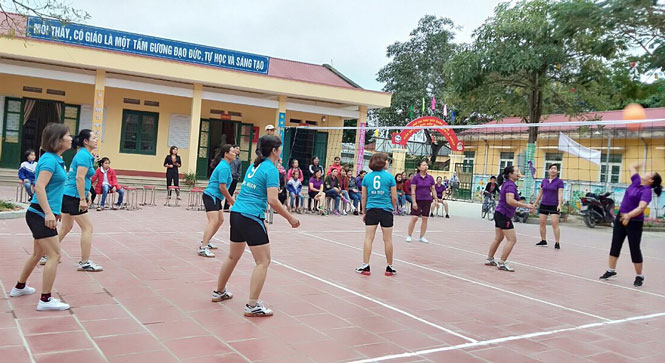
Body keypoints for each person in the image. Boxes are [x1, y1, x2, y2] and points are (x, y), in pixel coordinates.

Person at [212, 135, 300, 317]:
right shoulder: (271, 170)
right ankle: (252, 306)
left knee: (233, 256)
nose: (281, 150)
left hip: (237, 214)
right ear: (274, 150)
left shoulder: (254, 166)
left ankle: (219, 291)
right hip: (250, 216)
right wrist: (290, 218)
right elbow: (273, 200)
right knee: (263, 261)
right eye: (280, 147)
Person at [10, 124, 71, 311]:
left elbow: (54, 189)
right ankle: (45, 300)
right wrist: (48, 213)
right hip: (39, 214)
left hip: (42, 213)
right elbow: (39, 187)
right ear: (58, 140)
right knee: (54, 255)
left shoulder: (56, 159)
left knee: (38, 254)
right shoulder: (48, 160)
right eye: (68, 135)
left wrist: (56, 209)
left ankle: (19, 287)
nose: (71, 138)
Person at [599, 163, 661, 287]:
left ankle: (639, 276)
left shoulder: (646, 191)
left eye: (650, 172)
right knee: (615, 244)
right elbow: (632, 166)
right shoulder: (636, 181)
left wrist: (628, 215)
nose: (646, 171)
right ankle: (611, 270)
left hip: (634, 222)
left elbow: (641, 207)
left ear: (651, 180)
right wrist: (640, 164)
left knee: (634, 248)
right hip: (621, 218)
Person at [57, 129, 102, 272]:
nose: (96, 140)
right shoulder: (83, 155)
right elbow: (79, 177)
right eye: (94, 138)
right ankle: (85, 262)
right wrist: (82, 199)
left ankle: (47, 254)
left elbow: (84, 178)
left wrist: (87, 193)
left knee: (66, 227)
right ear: (85, 141)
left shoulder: (85, 155)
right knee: (87, 228)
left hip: (69, 194)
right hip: (73, 196)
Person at [485, 166, 536, 272]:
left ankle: (490, 259)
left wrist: (527, 205)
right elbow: (510, 201)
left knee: (498, 238)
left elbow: (512, 201)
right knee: (512, 240)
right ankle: (502, 263)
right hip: (504, 215)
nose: (518, 173)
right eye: (516, 171)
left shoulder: (508, 184)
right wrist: (526, 206)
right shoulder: (510, 185)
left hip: (499, 213)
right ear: (510, 174)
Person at [355, 153, 398, 276]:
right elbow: (394, 197)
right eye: (387, 160)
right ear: (383, 162)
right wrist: (392, 208)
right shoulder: (390, 177)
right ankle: (389, 267)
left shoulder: (367, 178)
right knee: (388, 240)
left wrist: (364, 212)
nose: (388, 162)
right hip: (386, 210)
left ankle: (365, 266)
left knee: (368, 238)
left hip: (372, 210)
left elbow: (364, 196)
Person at [199, 144, 236, 258]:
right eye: (233, 152)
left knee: (220, 220)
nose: (235, 153)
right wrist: (231, 200)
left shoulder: (225, 165)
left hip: (216, 197)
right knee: (214, 221)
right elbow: (222, 187)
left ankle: (207, 241)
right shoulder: (224, 167)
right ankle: (203, 247)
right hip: (211, 196)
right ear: (226, 154)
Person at [406, 161, 438, 243]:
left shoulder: (430, 178)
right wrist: (414, 202)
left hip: (427, 200)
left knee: (425, 218)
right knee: (414, 217)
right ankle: (409, 235)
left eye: (426, 165)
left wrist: (436, 200)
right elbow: (413, 190)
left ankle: (422, 236)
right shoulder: (415, 178)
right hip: (418, 199)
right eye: (423, 165)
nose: (425, 166)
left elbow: (433, 189)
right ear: (419, 167)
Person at [535, 165, 564, 249]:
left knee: (555, 224)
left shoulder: (559, 182)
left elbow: (560, 193)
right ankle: (543, 240)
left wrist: (559, 204)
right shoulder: (544, 181)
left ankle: (557, 242)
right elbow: (540, 192)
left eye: (555, 169)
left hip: (554, 205)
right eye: (551, 169)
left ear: (557, 171)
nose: (553, 170)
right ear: (548, 171)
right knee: (542, 223)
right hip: (544, 204)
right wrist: (535, 203)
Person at [224, 144, 242, 211]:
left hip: (235, 178)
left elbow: (239, 169)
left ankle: (227, 207)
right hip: (229, 177)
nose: (238, 150)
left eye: (239, 149)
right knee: (226, 191)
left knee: (231, 192)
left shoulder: (239, 160)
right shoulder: (229, 158)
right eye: (237, 148)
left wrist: (238, 176)